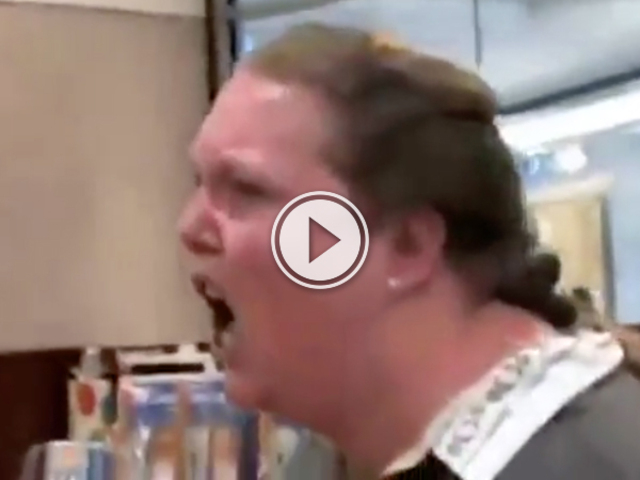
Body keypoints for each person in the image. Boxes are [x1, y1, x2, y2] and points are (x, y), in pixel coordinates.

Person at [178, 23, 640, 480]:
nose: (190, 227)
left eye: (246, 189)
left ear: (408, 245)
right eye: (200, 183)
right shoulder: (338, 455)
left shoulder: (593, 461)